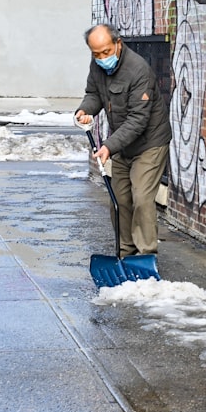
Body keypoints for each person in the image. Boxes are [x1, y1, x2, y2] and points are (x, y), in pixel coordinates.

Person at [75, 23, 171, 258]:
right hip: (122, 143)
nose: (101, 58)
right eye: (96, 54)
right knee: (119, 199)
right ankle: (125, 252)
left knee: (141, 198)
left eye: (106, 52)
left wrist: (109, 146)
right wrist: (85, 110)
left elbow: (138, 120)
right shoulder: (97, 64)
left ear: (118, 43)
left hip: (149, 144)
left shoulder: (138, 70)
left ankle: (146, 255)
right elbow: (94, 93)